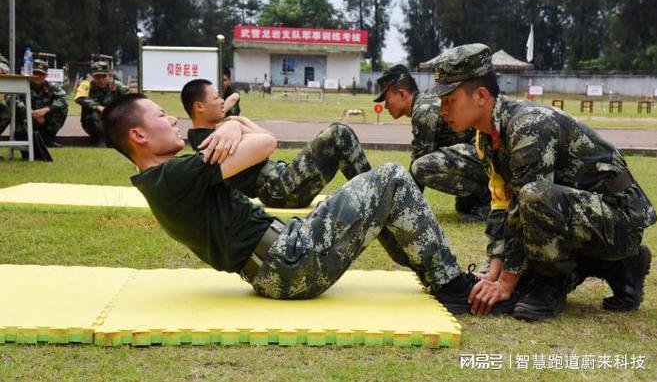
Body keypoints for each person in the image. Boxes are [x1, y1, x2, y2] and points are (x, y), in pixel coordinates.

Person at [101, 93, 502, 314]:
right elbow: (266, 145)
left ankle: (430, 268)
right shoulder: (174, 175)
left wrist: (233, 126)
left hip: (282, 255)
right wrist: (236, 125)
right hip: (289, 263)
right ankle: (451, 285)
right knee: (392, 178)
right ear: (138, 135)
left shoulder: (160, 180)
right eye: (159, 114)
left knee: (379, 190)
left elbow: (258, 148)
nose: (171, 119)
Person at [434, 43, 657, 320]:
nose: (442, 110)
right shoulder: (486, 136)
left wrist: (507, 282)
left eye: (449, 100)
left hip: (619, 222)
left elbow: (529, 201)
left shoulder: (528, 126)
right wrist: (495, 268)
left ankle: (552, 282)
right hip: (580, 216)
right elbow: (501, 205)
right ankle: (621, 267)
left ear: (480, 95)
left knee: (534, 197)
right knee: (529, 208)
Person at [181, 78, 372, 208]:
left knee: (338, 136)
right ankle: (375, 192)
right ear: (199, 106)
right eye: (216, 98)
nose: (222, 101)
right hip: (278, 189)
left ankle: (373, 191)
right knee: (338, 133)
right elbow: (269, 142)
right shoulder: (209, 141)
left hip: (281, 183)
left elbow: (267, 137)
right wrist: (237, 124)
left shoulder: (216, 132)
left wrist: (239, 122)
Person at [373, 64, 490, 222]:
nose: (385, 106)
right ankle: (481, 196)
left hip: (485, 156)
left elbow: (418, 166)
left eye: (386, 100)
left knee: (421, 168)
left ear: (401, 94)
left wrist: (401, 209)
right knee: (462, 207)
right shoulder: (423, 105)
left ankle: (486, 196)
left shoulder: (424, 109)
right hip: (479, 156)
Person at [0, 59, 68, 147]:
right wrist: (30, 113)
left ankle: (47, 139)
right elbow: (10, 97)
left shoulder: (51, 86)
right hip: (24, 119)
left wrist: (45, 110)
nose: (38, 77)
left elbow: (64, 99)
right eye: (35, 73)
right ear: (30, 73)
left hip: (42, 119)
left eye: (41, 74)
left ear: (46, 76)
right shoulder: (22, 84)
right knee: (6, 108)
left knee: (63, 110)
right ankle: (23, 138)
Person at [75, 61, 129, 144]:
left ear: (109, 75)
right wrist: (97, 107)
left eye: (104, 76)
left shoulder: (117, 86)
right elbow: (79, 98)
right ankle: (101, 139)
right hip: (92, 123)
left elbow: (130, 97)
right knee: (95, 113)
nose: (101, 80)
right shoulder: (87, 85)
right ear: (93, 76)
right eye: (97, 77)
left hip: (113, 121)